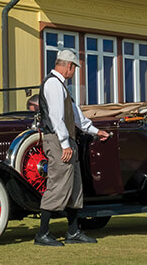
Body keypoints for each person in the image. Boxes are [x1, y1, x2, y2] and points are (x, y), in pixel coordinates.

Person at [34, 48, 111, 247]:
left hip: (66, 141)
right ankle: (42, 234)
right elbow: (56, 117)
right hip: (59, 141)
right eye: (74, 67)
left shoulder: (61, 85)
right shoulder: (53, 84)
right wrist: (65, 144)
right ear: (68, 66)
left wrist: (96, 131)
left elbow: (76, 117)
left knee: (75, 187)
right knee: (58, 185)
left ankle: (73, 231)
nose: (74, 71)